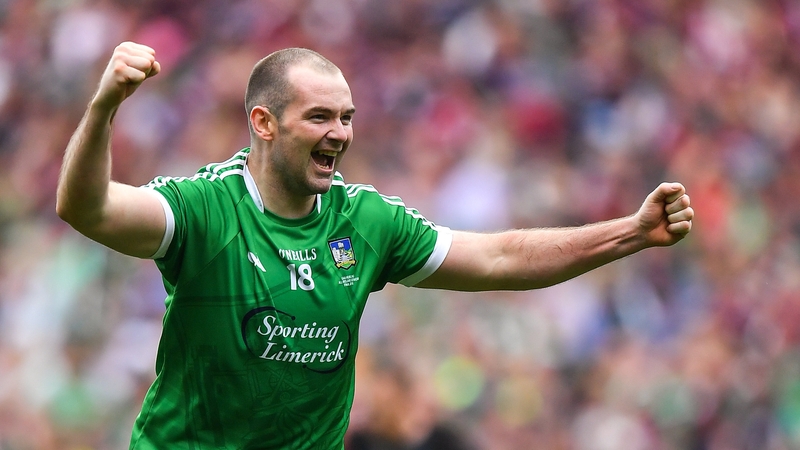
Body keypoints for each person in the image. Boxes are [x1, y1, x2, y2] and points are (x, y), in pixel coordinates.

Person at [56, 42, 694, 449]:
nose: (340, 134)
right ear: (263, 123)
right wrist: (105, 105)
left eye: (348, 117)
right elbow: (86, 208)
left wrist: (630, 233)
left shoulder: (366, 221)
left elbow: (498, 258)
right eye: (320, 118)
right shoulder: (204, 209)